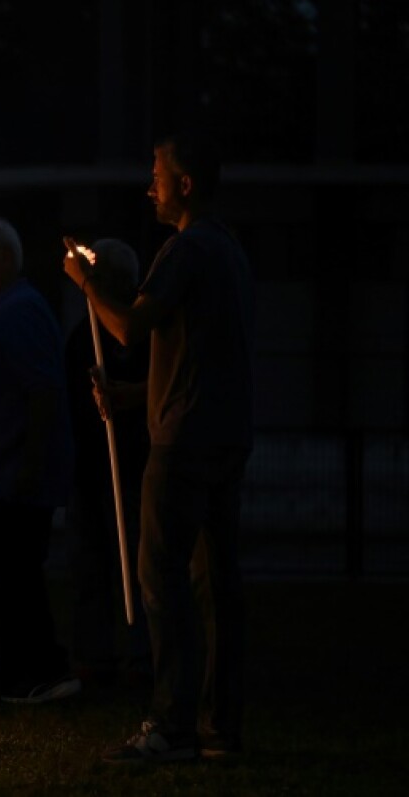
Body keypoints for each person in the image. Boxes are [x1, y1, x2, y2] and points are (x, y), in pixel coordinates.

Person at [63, 132, 254, 763]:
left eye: (158, 175)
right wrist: (129, 396)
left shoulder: (184, 250)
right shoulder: (230, 251)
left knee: (162, 580)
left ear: (186, 185)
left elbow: (129, 326)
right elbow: (202, 359)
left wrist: (86, 284)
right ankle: (218, 726)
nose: (151, 188)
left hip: (181, 443)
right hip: (225, 435)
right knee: (215, 583)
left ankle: (169, 726)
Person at [0, 216, 78, 703]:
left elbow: (43, 391)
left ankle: (42, 668)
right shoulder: (8, 307)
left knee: (18, 572)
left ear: (2, 260)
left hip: (17, 471)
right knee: (9, 572)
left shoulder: (17, 311)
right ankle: (12, 668)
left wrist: (29, 465)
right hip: (8, 467)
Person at [63, 238, 152, 688]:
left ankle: (141, 659)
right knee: (89, 567)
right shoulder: (84, 334)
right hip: (91, 468)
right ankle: (94, 662)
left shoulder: (142, 329)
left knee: (137, 568)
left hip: (133, 466)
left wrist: (121, 396)